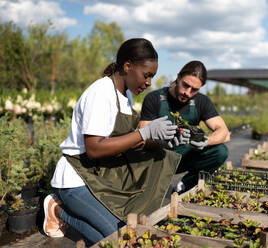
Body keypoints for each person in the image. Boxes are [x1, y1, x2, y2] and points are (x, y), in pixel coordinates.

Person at [43, 38, 181, 246]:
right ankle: (57, 208)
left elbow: (126, 142)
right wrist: (143, 133)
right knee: (117, 239)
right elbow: (94, 149)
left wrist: (162, 140)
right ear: (127, 66)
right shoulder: (100, 93)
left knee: (124, 234)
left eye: (152, 76)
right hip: (76, 178)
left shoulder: (126, 96)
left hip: (100, 176)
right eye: (147, 75)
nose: (149, 82)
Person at [140, 60, 230, 193]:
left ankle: (185, 185)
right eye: (185, 85)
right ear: (178, 77)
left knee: (220, 151)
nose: (187, 92)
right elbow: (142, 139)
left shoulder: (201, 102)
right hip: (159, 158)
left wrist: (206, 141)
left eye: (194, 90)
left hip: (185, 157)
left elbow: (225, 133)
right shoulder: (154, 98)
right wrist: (163, 142)